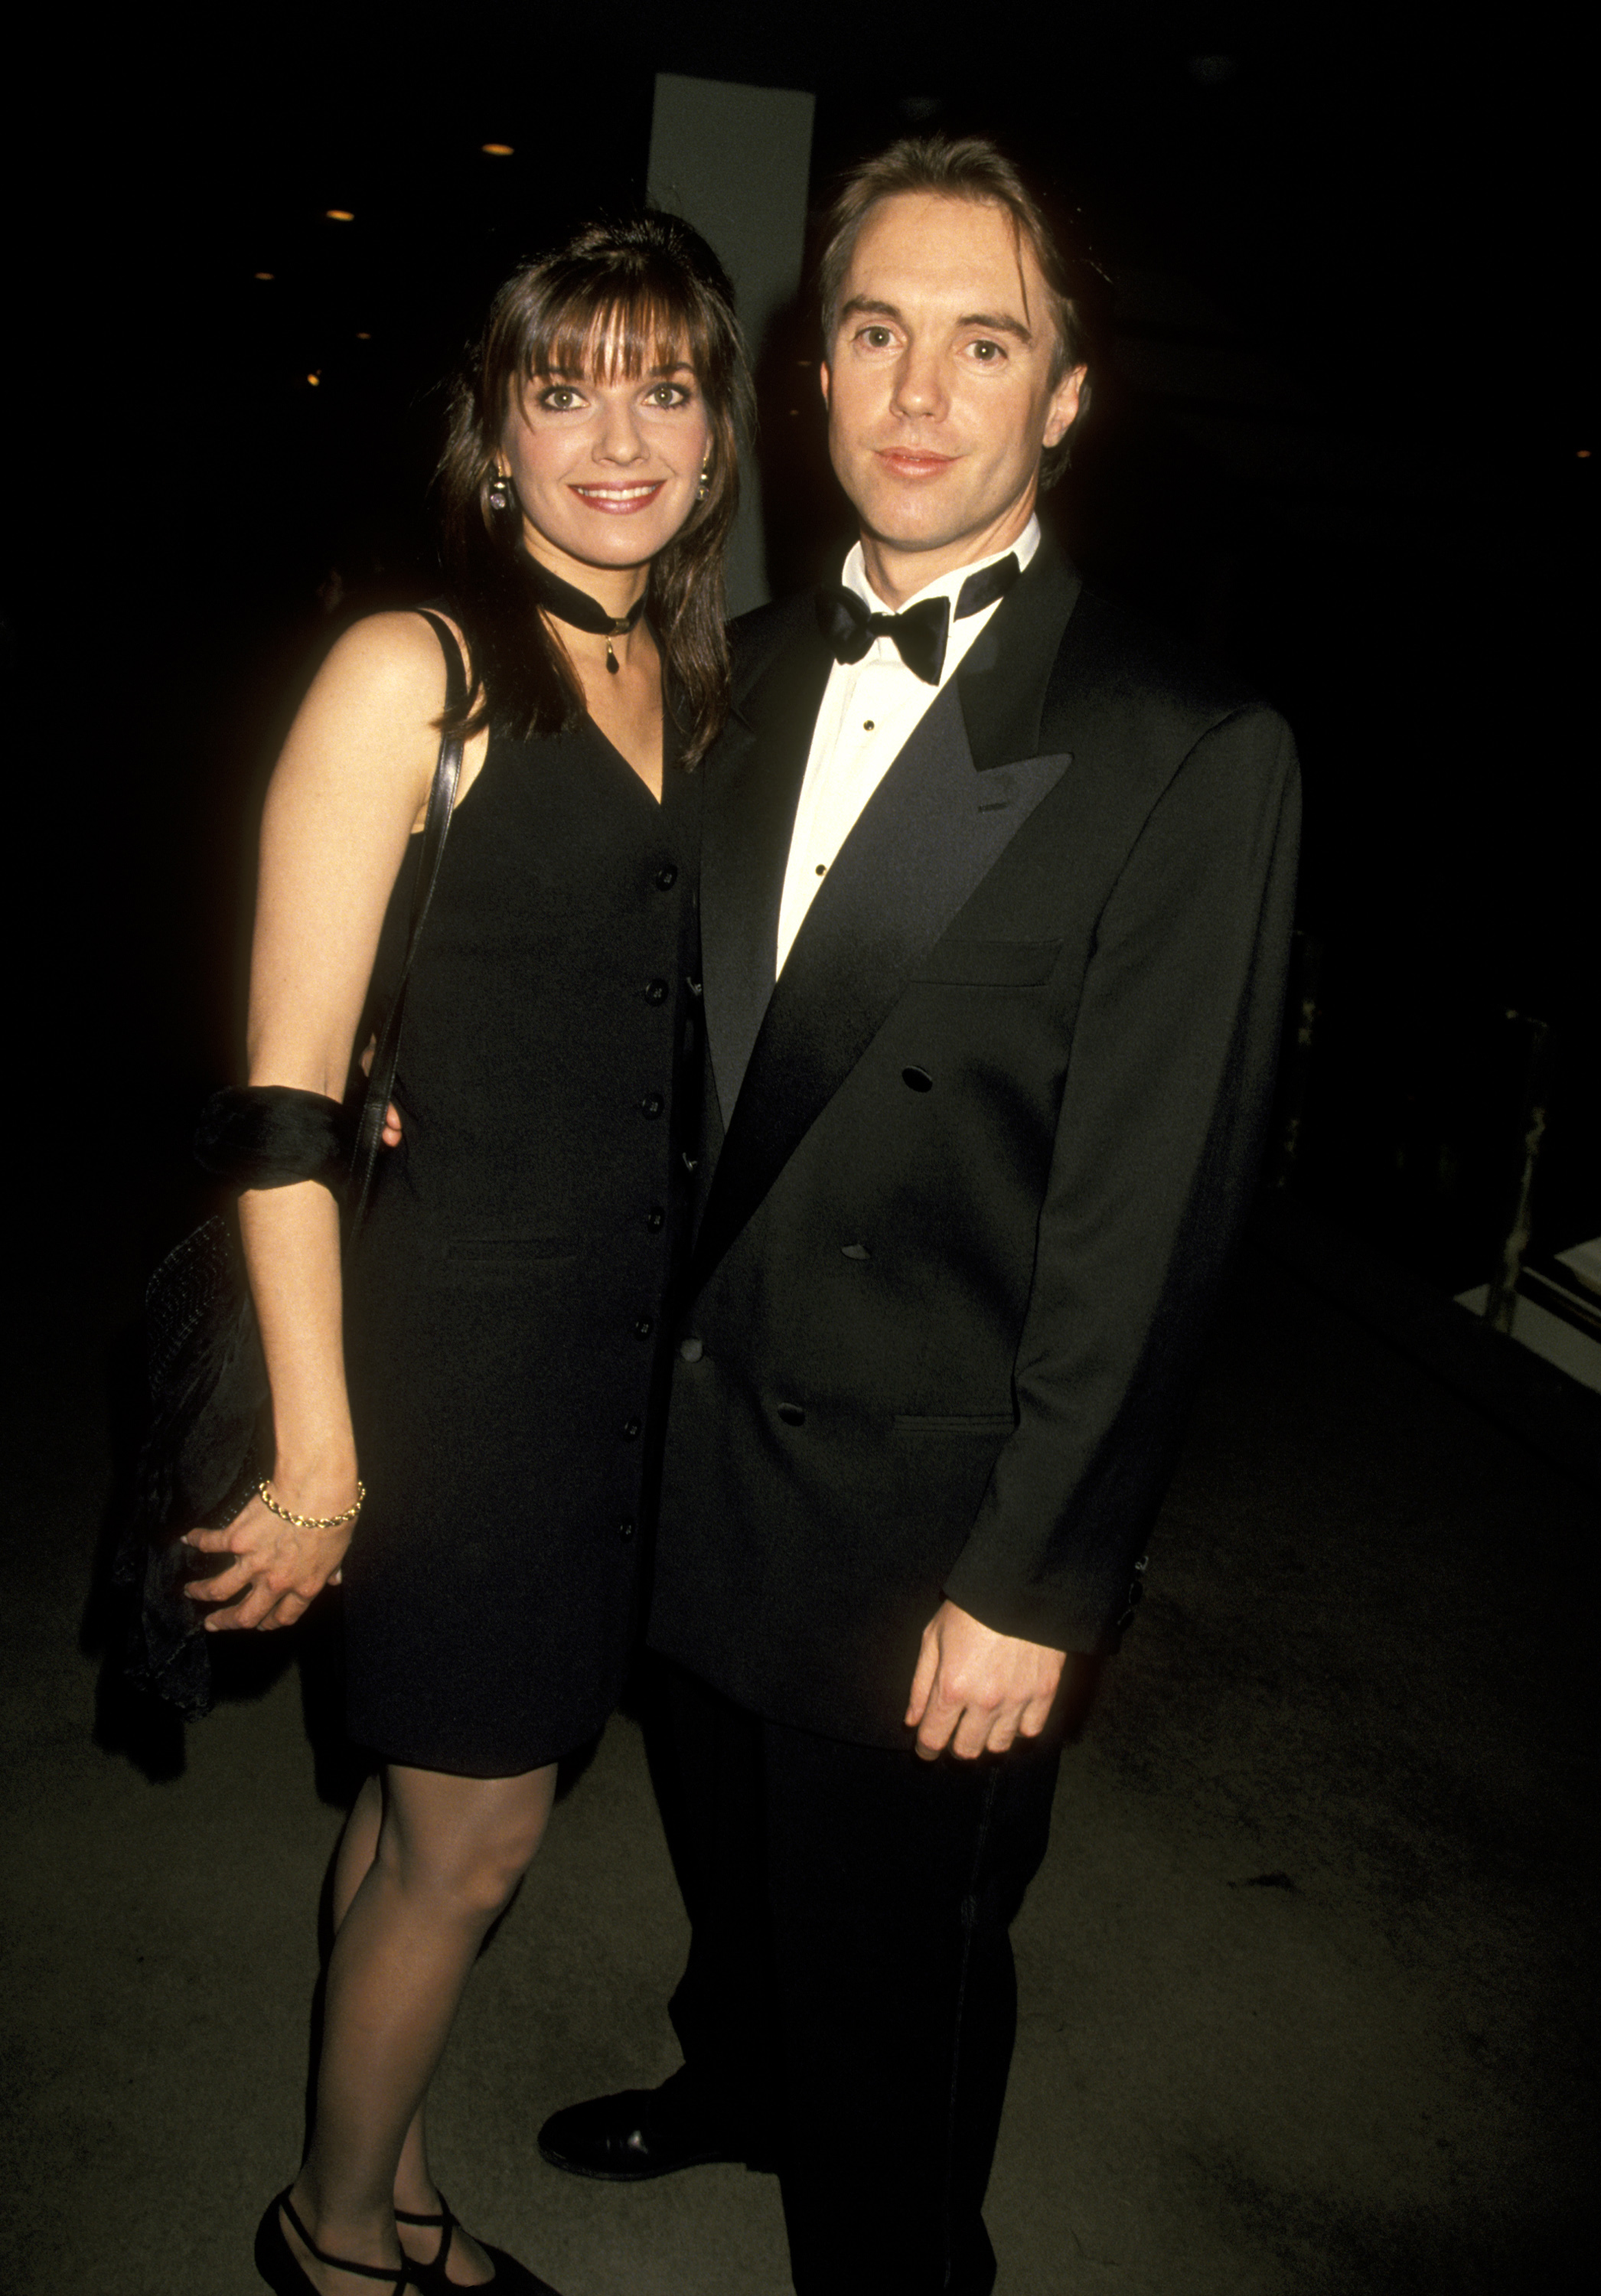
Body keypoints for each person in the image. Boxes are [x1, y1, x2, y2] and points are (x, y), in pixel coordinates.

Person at [534, 138, 1302, 2294]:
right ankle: (734, 2076)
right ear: (813, 364)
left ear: (1065, 397)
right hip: (684, 1449)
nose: (916, 392)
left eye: (987, 343)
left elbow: (1155, 1220)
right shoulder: (729, 665)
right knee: (731, 1860)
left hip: (922, 1517)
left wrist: (1037, 1580)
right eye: (873, 329)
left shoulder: (1182, 743)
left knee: (898, 1970)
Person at [179, 211, 751, 2296]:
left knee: (418, 1818)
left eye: (665, 385)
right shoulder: (407, 664)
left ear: (714, 435)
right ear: (492, 429)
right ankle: (334, 2245)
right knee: (478, 1836)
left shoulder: (688, 669)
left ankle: (385, 2172)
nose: (619, 430)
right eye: (566, 381)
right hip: (450, 1346)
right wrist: (323, 1456)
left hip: (609, 1341)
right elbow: (282, 1104)